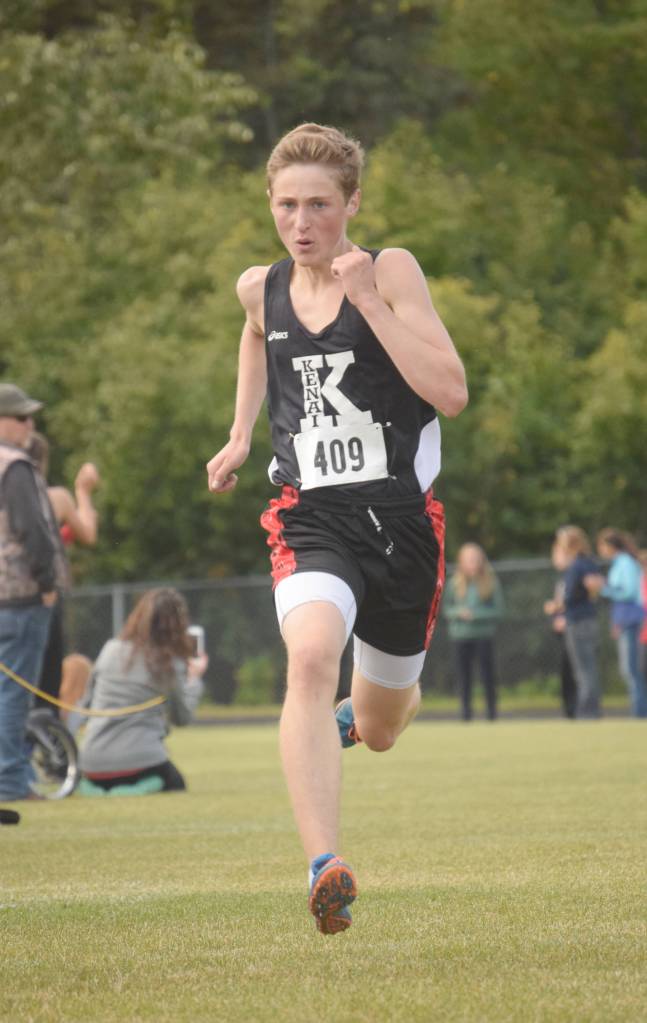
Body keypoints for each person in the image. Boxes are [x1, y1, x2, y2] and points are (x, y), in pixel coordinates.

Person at [206, 123, 467, 934]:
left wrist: (365, 301)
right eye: (286, 205)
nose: (301, 221)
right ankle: (326, 864)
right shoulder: (261, 286)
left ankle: (364, 713)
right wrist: (242, 432)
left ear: (351, 203)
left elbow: (449, 392)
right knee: (310, 657)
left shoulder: (389, 271)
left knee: (382, 726)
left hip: (400, 523)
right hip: (308, 513)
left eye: (318, 203)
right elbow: (255, 337)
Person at [0, 383, 66, 801]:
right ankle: (10, 780)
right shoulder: (15, 466)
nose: (30, 424)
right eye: (21, 417)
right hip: (21, 597)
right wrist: (46, 584)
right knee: (15, 696)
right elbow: (34, 533)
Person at [79, 588, 207, 794]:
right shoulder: (170, 663)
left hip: (91, 763)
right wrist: (194, 680)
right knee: (176, 784)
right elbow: (182, 718)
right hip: (142, 761)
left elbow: (87, 702)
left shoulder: (110, 649)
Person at [27, 432, 100, 712]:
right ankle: (46, 735)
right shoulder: (54, 499)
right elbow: (88, 532)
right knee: (46, 679)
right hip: (43, 597)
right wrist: (83, 490)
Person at [586, 530, 647, 718]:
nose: (600, 550)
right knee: (628, 668)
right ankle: (638, 710)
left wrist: (603, 587)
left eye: (602, 546)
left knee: (631, 668)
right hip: (625, 619)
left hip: (632, 619)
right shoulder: (620, 563)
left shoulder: (626, 563)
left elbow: (628, 592)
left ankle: (640, 712)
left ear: (610, 546)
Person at [442, 543, 504, 721]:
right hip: (460, 637)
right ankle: (465, 714)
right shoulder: (454, 583)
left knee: (488, 677)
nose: (473, 563)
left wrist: (476, 615)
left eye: (476, 559)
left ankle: (492, 714)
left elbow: (498, 610)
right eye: (469, 559)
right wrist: (458, 613)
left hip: (483, 636)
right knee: (464, 677)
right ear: (462, 561)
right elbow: (447, 609)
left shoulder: (491, 582)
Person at [551, 526, 603, 719]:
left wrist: (558, 606)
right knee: (587, 668)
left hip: (578, 621)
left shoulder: (578, 565)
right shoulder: (586, 563)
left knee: (583, 670)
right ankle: (591, 709)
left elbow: (571, 595)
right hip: (585, 619)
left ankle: (587, 711)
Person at [543, 539, 577, 719]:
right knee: (566, 671)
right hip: (561, 631)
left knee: (576, 671)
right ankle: (569, 709)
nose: (554, 558)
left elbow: (571, 602)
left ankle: (578, 708)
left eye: (558, 554)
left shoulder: (573, 574)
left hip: (573, 628)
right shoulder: (561, 578)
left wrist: (559, 610)